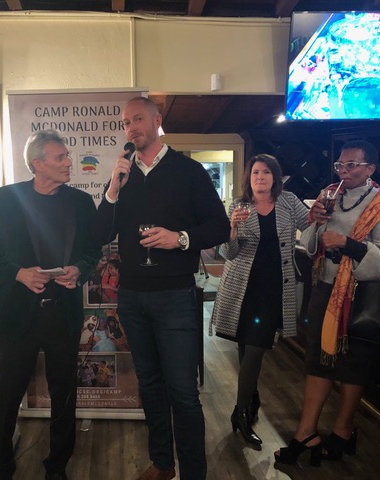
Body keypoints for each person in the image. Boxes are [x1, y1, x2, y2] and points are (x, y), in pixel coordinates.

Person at [92, 96, 230, 480]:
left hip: (175, 296)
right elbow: (99, 234)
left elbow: (219, 227)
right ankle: (163, 464)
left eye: (138, 119)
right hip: (132, 297)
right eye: (126, 122)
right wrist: (112, 190)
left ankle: (194, 473)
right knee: (150, 386)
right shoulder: (123, 176)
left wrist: (180, 239)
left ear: (157, 121)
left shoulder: (188, 171)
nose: (131, 127)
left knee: (183, 391)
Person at [0, 129, 100, 480]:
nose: (68, 162)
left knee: (64, 395)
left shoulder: (81, 202)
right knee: (7, 394)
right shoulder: (7, 198)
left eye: (67, 156)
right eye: (60, 157)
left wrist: (79, 269)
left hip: (63, 313)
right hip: (19, 315)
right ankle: (0, 466)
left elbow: (92, 251)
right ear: (38, 163)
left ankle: (57, 467)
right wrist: (19, 274)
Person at [274, 139, 380, 467]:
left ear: (370, 169)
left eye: (351, 165)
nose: (343, 171)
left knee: (352, 365)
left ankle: (343, 430)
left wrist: (348, 244)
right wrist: (315, 221)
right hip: (325, 287)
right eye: (340, 165)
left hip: (359, 294)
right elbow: (310, 244)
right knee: (317, 359)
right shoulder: (330, 194)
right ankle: (306, 432)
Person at [210, 154, 309, 446]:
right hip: (242, 289)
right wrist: (230, 229)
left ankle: (241, 412)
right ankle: (250, 403)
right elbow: (229, 253)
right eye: (255, 172)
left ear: (275, 177)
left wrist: (324, 218)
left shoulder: (289, 201)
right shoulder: (239, 207)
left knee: (254, 351)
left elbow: (312, 224)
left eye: (266, 172)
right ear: (249, 178)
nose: (260, 177)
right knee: (245, 350)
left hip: (274, 290)